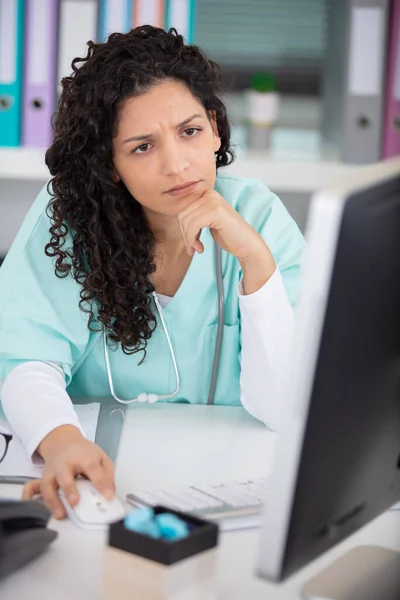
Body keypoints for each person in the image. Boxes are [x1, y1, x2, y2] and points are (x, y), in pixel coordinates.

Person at [0, 26, 304, 519]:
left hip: (224, 480)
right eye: (143, 146)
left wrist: (255, 262)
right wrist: (60, 441)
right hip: (102, 477)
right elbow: (26, 360)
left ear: (215, 128)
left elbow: (283, 408)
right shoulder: (68, 221)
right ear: (112, 164)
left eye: (190, 132)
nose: (177, 165)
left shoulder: (260, 217)